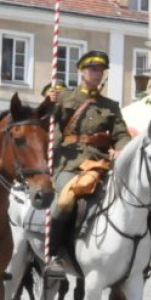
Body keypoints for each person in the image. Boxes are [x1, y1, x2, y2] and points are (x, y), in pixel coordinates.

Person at [43, 50, 132, 278]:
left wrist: (121, 148)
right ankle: (55, 254)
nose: (97, 73)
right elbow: (44, 122)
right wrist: (48, 104)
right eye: (92, 69)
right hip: (69, 163)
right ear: (81, 71)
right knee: (64, 202)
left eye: (101, 70)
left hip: (98, 164)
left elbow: (121, 134)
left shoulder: (110, 106)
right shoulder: (64, 98)